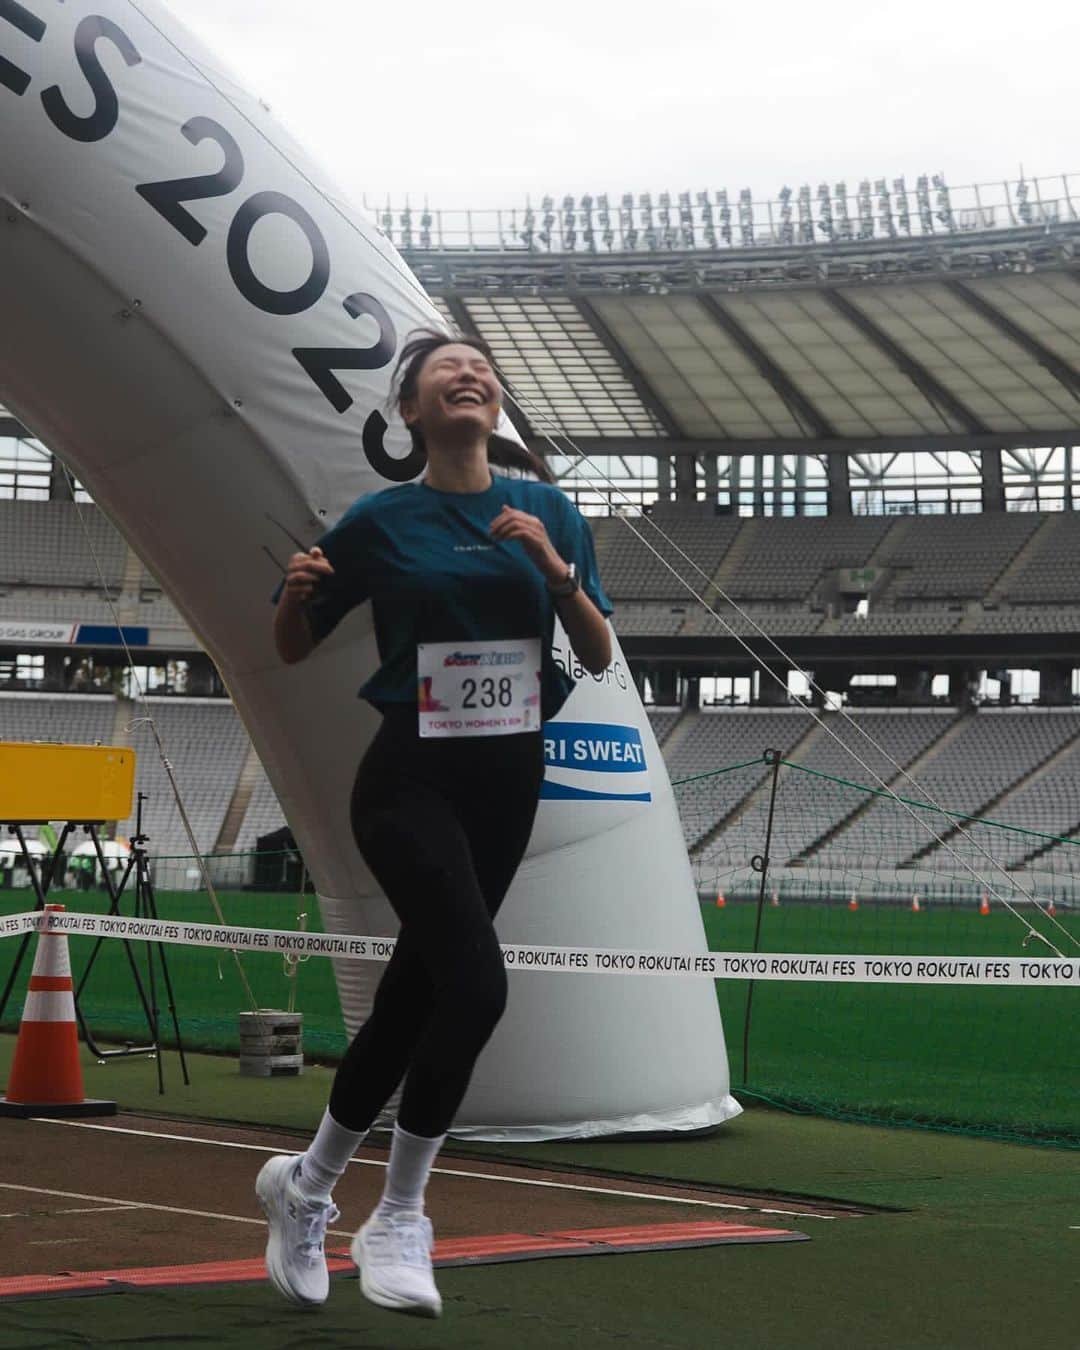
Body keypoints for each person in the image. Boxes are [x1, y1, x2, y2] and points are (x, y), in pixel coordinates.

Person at [256, 329, 613, 1319]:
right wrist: (291, 597)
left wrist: (555, 571)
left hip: (508, 778)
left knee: (416, 998)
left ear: (496, 409)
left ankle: (309, 1185)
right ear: (408, 410)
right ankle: (401, 1214)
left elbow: (595, 651)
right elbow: (290, 644)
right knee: (478, 984)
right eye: (446, 370)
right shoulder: (381, 521)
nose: (471, 376)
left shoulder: (545, 510)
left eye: (483, 371)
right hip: (408, 776)